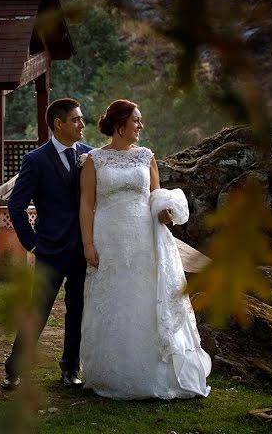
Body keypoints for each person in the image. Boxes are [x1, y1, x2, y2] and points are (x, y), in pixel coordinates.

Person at [79, 99, 211, 399]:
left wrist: (166, 211)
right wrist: (88, 243)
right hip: (108, 236)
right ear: (120, 123)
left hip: (142, 237)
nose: (141, 126)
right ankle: (111, 372)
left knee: (145, 297)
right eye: (136, 120)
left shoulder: (146, 157)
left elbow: (155, 196)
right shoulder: (94, 160)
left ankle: (154, 372)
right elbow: (87, 205)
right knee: (113, 299)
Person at [2, 98, 93, 390]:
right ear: (58, 124)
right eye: (77, 119)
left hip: (82, 249)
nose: (82, 124)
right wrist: (32, 244)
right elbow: (16, 205)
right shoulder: (36, 160)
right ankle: (14, 368)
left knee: (77, 311)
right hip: (50, 250)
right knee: (38, 311)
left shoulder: (90, 156)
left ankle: (70, 370)